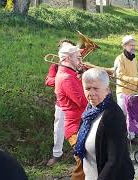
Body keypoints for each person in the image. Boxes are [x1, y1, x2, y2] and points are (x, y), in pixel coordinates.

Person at [74, 68, 135, 180]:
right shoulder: (89, 112)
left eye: (96, 88)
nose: (91, 93)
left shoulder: (113, 115)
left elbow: (114, 160)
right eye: (87, 88)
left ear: (107, 90)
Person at [55, 43, 88, 179]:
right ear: (68, 58)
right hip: (76, 127)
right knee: (84, 163)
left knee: (89, 163)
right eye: (78, 58)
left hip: (81, 123)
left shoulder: (70, 74)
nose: (81, 61)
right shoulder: (66, 78)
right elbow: (85, 102)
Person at [46, 40, 76, 166]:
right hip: (62, 103)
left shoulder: (78, 64)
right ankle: (57, 154)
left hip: (77, 103)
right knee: (58, 129)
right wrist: (61, 81)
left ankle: (80, 153)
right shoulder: (55, 66)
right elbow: (48, 80)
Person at [113, 35, 138, 140]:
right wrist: (136, 80)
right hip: (123, 92)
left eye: (134, 45)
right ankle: (121, 138)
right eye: (131, 45)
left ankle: (131, 137)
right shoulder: (119, 59)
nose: (133, 47)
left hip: (133, 91)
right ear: (124, 46)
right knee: (123, 116)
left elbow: (135, 74)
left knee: (132, 115)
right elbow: (120, 77)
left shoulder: (134, 58)